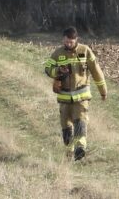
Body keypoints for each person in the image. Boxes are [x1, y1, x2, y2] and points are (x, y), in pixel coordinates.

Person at [44, 27, 107, 161]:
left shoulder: (85, 51)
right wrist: (57, 71)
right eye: (66, 42)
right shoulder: (57, 53)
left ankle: (80, 149)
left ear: (76, 39)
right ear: (63, 39)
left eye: (71, 42)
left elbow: (96, 72)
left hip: (81, 97)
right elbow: (48, 68)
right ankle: (69, 152)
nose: (68, 44)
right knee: (66, 127)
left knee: (80, 121)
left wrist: (103, 91)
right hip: (64, 98)